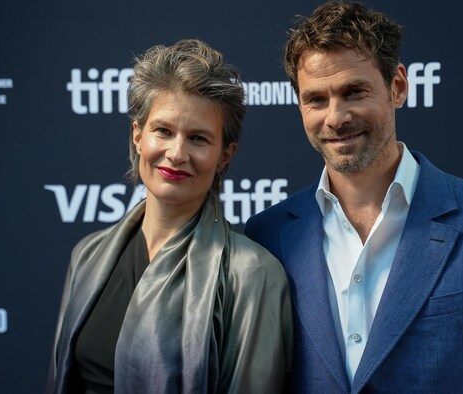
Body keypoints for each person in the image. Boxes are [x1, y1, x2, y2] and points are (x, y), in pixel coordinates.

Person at [244, 1, 463, 392]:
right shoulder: (268, 235)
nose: (335, 117)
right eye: (316, 99)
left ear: (396, 87)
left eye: (354, 91)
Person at [46, 39, 293, 394]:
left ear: (225, 154)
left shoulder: (252, 275)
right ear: (137, 135)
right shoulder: (87, 255)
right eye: (163, 131)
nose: (177, 153)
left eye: (198, 139)